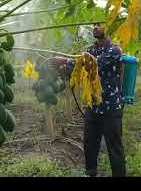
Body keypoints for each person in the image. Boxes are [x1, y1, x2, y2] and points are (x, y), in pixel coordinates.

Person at [47, 23, 126, 177]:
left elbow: (95, 64)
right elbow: (78, 66)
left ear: (108, 28)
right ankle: (91, 173)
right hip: (92, 106)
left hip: (111, 107)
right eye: (94, 25)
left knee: (114, 147)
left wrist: (64, 60)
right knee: (89, 145)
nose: (95, 27)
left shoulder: (115, 50)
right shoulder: (90, 49)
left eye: (99, 24)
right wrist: (63, 69)